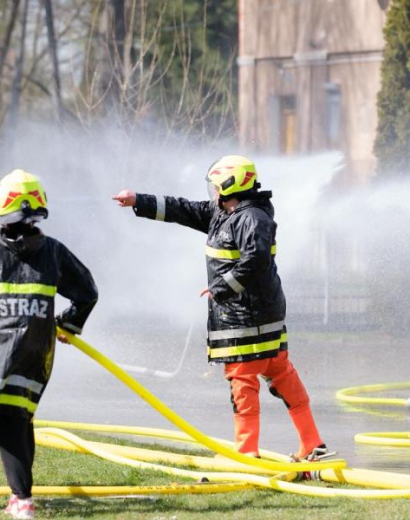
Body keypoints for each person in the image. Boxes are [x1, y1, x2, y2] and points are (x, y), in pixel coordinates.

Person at [112, 155, 333, 470]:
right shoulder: (223, 213)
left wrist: (222, 287)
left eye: (216, 185)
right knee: (279, 372)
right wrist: (139, 201)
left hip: (247, 318)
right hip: (252, 315)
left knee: (244, 380)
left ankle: (247, 454)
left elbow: (256, 260)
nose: (212, 192)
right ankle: (312, 444)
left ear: (231, 185)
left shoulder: (252, 218)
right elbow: (183, 208)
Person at [0, 169, 98, 518]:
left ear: (2, 208)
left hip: (1, 351)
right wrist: (66, 324)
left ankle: (21, 499)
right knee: (20, 415)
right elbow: (87, 292)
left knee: (10, 419)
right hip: (39, 350)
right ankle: (22, 493)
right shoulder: (54, 251)